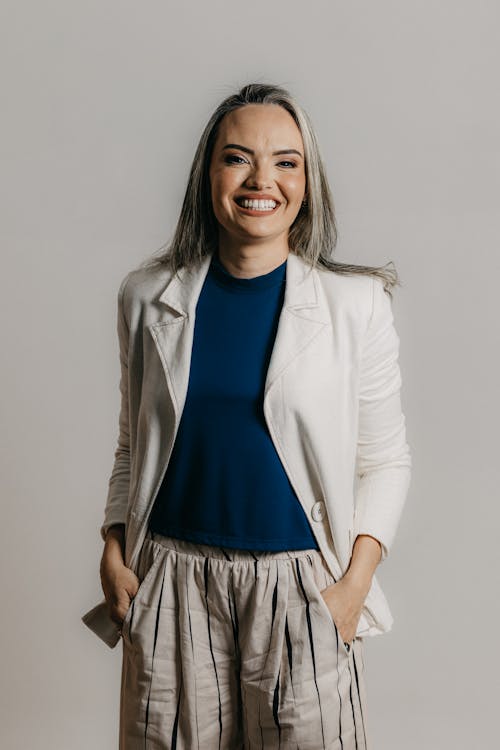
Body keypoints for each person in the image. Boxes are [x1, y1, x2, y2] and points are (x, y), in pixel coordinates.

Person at [82, 82, 412, 749]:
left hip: (302, 589)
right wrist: (114, 553)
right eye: (238, 158)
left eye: (286, 161)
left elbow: (385, 459)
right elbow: (132, 445)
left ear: (308, 180)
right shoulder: (147, 298)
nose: (263, 179)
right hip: (171, 583)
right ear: (209, 175)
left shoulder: (358, 305)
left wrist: (353, 587)